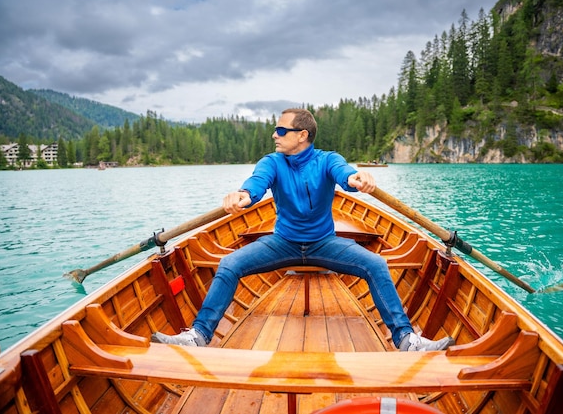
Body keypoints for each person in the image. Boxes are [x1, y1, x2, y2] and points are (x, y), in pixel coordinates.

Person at [152, 108, 454, 351]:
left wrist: (357, 180)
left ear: (303, 135)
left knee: (375, 263)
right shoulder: (273, 162)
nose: (275, 134)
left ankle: (405, 339)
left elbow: (344, 174)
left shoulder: (327, 160)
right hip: (282, 243)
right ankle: (200, 335)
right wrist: (242, 196)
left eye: (281, 130)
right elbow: (256, 185)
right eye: (276, 129)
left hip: (324, 243)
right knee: (230, 263)